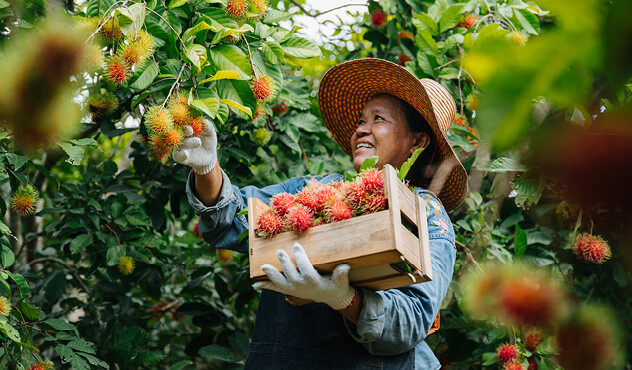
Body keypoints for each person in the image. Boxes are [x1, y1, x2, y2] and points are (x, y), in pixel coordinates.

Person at [174, 58, 468, 369]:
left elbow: (409, 321)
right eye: (360, 120)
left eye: (378, 119)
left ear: (417, 142)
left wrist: (344, 299)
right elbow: (232, 222)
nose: (362, 130)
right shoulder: (314, 189)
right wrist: (207, 168)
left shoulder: (426, 214)